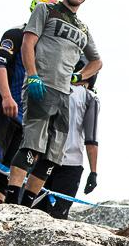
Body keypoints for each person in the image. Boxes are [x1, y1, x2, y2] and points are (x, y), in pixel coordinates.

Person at [6, 0, 102, 205]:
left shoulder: (84, 29)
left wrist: (78, 77)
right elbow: (28, 43)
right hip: (41, 85)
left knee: (53, 154)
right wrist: (32, 75)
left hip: (64, 93)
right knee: (32, 146)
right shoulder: (45, 10)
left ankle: (27, 203)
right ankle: (10, 201)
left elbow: (97, 61)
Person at [0, 0, 57, 203]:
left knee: (5, 175)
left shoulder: (47, 49)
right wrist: (6, 97)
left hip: (26, 118)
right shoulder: (16, 34)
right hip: (2, 107)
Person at [33, 68, 100, 220]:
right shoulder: (90, 97)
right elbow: (91, 138)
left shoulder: (52, 88)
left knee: (34, 212)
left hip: (44, 156)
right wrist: (93, 172)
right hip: (71, 162)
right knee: (58, 216)